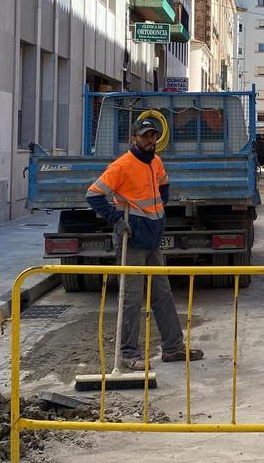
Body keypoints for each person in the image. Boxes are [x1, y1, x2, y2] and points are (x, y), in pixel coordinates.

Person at [86, 116, 203, 370]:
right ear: (134, 138)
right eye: (145, 136)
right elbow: (93, 194)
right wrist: (117, 219)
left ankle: (173, 347)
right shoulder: (122, 165)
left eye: (153, 135)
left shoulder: (156, 161)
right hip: (133, 240)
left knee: (163, 293)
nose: (150, 140)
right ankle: (129, 353)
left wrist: (161, 205)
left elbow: (164, 184)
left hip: (152, 239)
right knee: (132, 297)